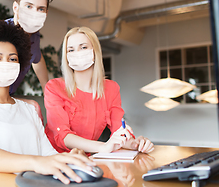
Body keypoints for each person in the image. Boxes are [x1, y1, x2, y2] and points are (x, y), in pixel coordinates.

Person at [0, 20, 96, 185]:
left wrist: (68, 158)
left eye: (13, 59)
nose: (6, 63)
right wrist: (35, 163)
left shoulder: (29, 110)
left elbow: (47, 154)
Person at [44, 26, 154, 154]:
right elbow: (62, 136)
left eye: (83, 47)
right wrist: (103, 147)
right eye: (71, 50)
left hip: (88, 160)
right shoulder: (54, 87)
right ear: (66, 57)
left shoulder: (111, 89)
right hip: (54, 157)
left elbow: (119, 130)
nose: (77, 53)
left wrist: (136, 144)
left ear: (95, 51)